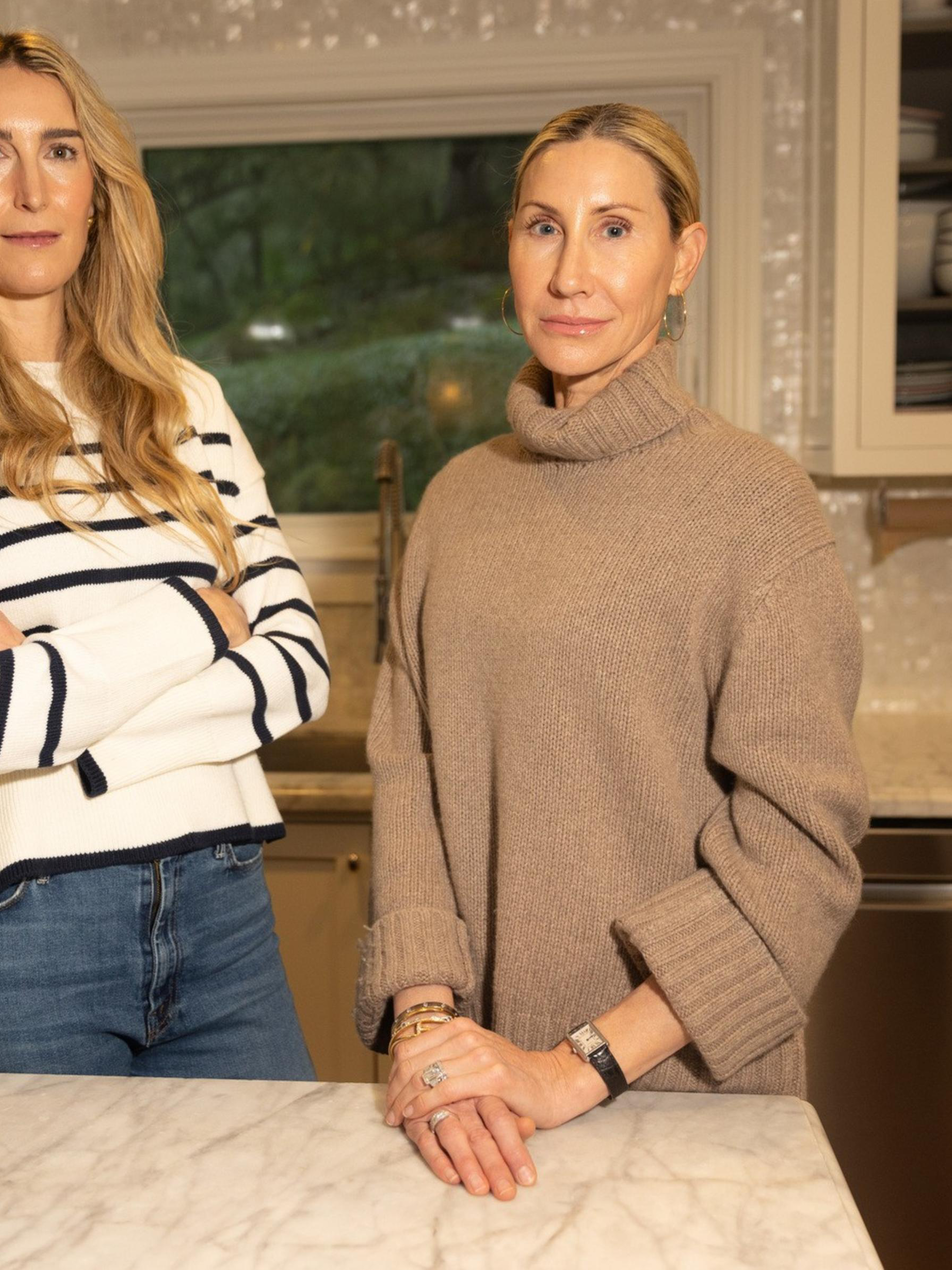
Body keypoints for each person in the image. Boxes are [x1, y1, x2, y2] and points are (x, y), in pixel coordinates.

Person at [355, 103, 869, 1200]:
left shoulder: (756, 504)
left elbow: (799, 852)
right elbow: (408, 776)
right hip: (473, 1111)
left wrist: (571, 1066)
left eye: (615, 229)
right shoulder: (456, 500)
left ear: (683, 258)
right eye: (542, 227)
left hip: (684, 1104)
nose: (570, 273)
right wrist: (430, 1028)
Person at [0, 29, 328, 1080]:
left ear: (98, 186)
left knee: (270, 1197)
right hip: (5, 927)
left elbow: (298, 670)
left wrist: (43, 677)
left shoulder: (186, 400)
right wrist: (197, 619)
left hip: (222, 908)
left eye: (60, 150)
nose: (31, 190)